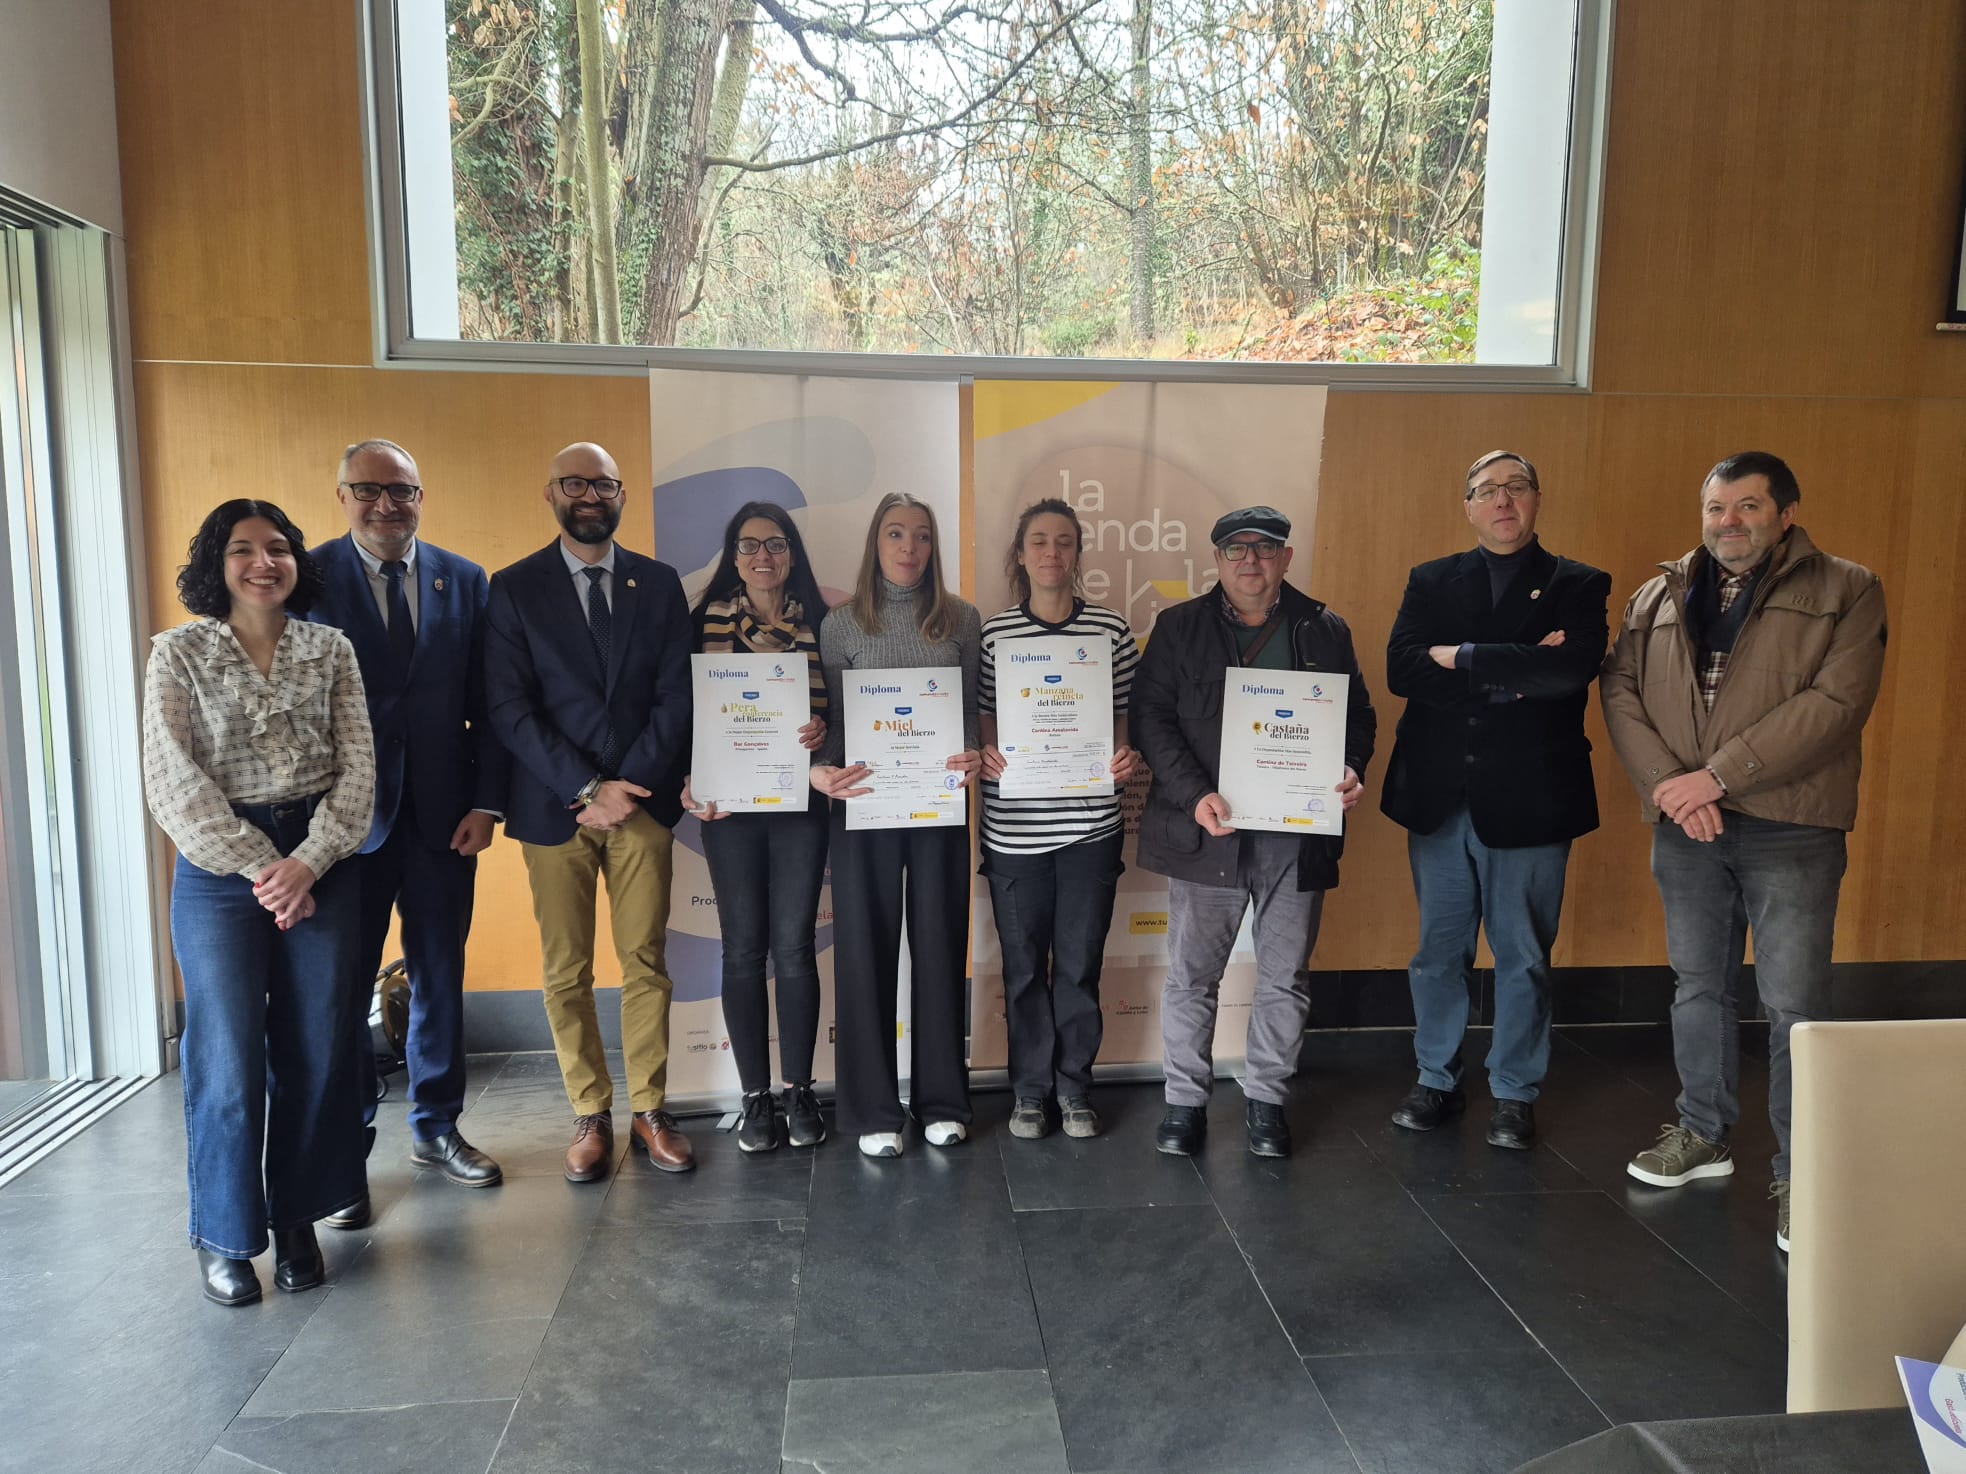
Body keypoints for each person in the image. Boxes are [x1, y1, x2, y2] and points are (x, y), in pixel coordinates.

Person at [1601, 450, 1886, 1253]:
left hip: (1791, 826)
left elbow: (1837, 703)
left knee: (1793, 1004)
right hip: (1685, 826)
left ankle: (1802, 1173)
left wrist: (1717, 777)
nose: (1729, 522)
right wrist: (1671, 786)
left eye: (1748, 507)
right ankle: (1702, 1133)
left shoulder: (1848, 589)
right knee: (1699, 987)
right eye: (1716, 508)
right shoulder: (1658, 593)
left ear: (1786, 514)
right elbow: (1620, 689)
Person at [142, 499, 376, 1307]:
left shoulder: (330, 648)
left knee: (317, 1045)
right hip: (220, 872)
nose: (262, 563)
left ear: (296, 562)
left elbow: (359, 767)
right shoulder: (178, 654)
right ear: (218, 564)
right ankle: (226, 1237)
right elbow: (172, 782)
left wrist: (307, 861)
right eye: (242, 549)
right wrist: (263, 868)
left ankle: (299, 1217)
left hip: (323, 860)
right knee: (227, 1054)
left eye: (277, 548)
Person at [1380, 452, 1611, 1151]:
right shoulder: (1430, 579)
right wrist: (1516, 667)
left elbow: (1569, 671)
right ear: (1469, 507)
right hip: (1438, 796)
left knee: (1524, 956)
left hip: (1532, 799)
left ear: (1536, 499)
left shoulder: (1578, 583)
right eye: (1486, 490)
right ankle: (1436, 1078)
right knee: (1437, 953)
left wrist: (1460, 656)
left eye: (1515, 487)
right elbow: (1402, 669)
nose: (1502, 500)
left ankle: (1514, 1091)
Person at [1131, 505, 1376, 1159]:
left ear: (1285, 558)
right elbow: (1150, 717)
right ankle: (1185, 1103)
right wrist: (1196, 795)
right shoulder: (1179, 627)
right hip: (1209, 828)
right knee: (1192, 976)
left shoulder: (1326, 630)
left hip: (1296, 836)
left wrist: (1351, 767)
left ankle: (1267, 1100)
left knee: (1285, 976)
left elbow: (1358, 714)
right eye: (1235, 549)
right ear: (1216, 559)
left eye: (1264, 548)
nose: (1250, 560)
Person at [483, 442, 696, 1182]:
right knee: (566, 969)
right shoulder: (513, 588)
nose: (590, 496)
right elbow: (509, 707)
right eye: (574, 483)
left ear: (621, 494)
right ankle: (589, 1111)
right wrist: (585, 788)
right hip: (555, 809)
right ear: (550, 494)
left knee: (646, 963)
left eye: (603, 484)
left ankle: (652, 1109)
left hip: (641, 805)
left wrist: (628, 784)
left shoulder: (658, 584)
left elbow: (677, 693)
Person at [309, 439, 507, 1230]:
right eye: (369, 490)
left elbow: (489, 703)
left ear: (422, 497)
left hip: (442, 817)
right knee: (342, 987)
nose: (387, 505)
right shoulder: (308, 577)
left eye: (403, 491)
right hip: (343, 823)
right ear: (343, 495)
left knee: (438, 975)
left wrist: (487, 803)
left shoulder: (465, 579)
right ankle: (346, 1153)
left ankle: (436, 1126)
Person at [809, 492, 982, 1158]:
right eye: (895, 534)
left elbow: (969, 711)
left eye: (922, 535)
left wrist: (970, 752)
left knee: (939, 945)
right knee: (864, 951)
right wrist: (825, 768)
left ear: (934, 546)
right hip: (864, 804)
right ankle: (873, 1109)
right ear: (875, 543)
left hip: (939, 803)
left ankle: (942, 1101)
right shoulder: (841, 624)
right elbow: (833, 721)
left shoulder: (962, 618)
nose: (909, 547)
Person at [978, 498, 1141, 1140]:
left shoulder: (1111, 631)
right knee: (1023, 971)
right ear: (1021, 555)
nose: (1052, 552)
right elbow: (985, 714)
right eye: (1040, 541)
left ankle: (1074, 1089)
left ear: (1077, 553)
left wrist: (1124, 755)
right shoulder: (994, 635)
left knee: (1078, 966)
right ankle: (1029, 1092)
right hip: (1014, 832)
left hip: (1090, 830)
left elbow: (1124, 714)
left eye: (1065, 541)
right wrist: (989, 751)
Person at [682, 501, 831, 1153]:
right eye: (748, 545)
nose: (762, 556)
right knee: (742, 948)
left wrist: (825, 732)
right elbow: (681, 713)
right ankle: (754, 1097)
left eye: (775, 543)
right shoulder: (701, 625)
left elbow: (844, 712)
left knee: (794, 947)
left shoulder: (823, 625)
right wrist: (688, 778)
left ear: (792, 553)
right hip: (730, 813)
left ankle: (799, 1091)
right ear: (733, 556)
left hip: (800, 807)